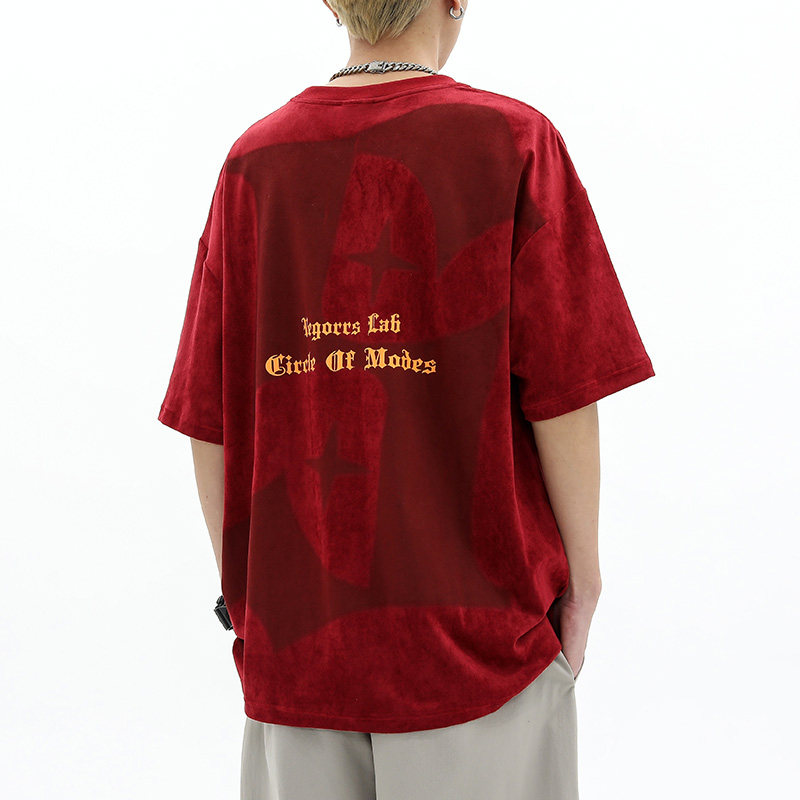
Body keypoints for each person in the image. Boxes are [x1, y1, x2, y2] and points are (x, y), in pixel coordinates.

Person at [156, 1, 655, 797]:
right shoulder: (512, 141)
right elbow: (565, 393)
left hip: (299, 653)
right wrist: (585, 585)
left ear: (332, 3)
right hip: (480, 649)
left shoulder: (254, 163)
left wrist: (249, 604)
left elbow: (207, 417)